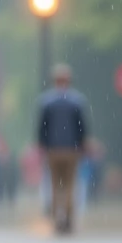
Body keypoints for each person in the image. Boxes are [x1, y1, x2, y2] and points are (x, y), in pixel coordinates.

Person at [37, 64, 90, 233]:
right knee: (69, 185)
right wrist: (82, 144)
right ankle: (67, 217)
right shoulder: (77, 101)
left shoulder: (46, 101)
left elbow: (41, 127)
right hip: (71, 149)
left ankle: (56, 217)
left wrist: (43, 144)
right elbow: (82, 127)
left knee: (54, 185)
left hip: (53, 149)